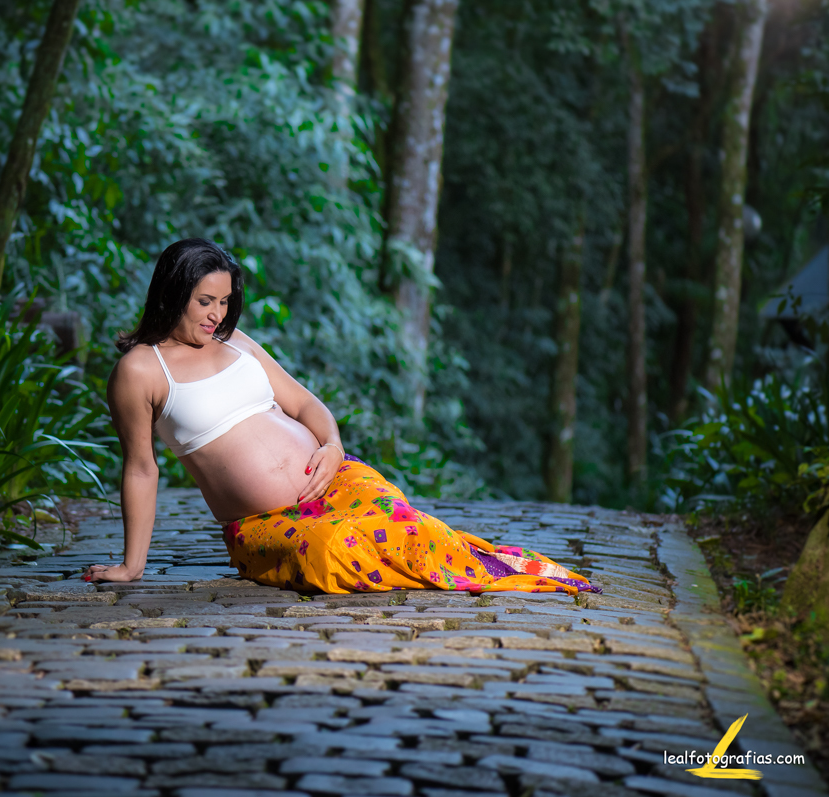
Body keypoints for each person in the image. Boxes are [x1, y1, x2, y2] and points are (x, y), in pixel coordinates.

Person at [82, 238, 599, 596]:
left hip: (336, 477)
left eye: (224, 301)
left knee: (417, 531)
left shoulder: (235, 343)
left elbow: (307, 405)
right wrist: (133, 566)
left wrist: (330, 446)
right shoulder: (140, 371)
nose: (216, 313)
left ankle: (523, 573)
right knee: (329, 553)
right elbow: (141, 469)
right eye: (204, 301)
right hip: (264, 523)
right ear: (173, 292)